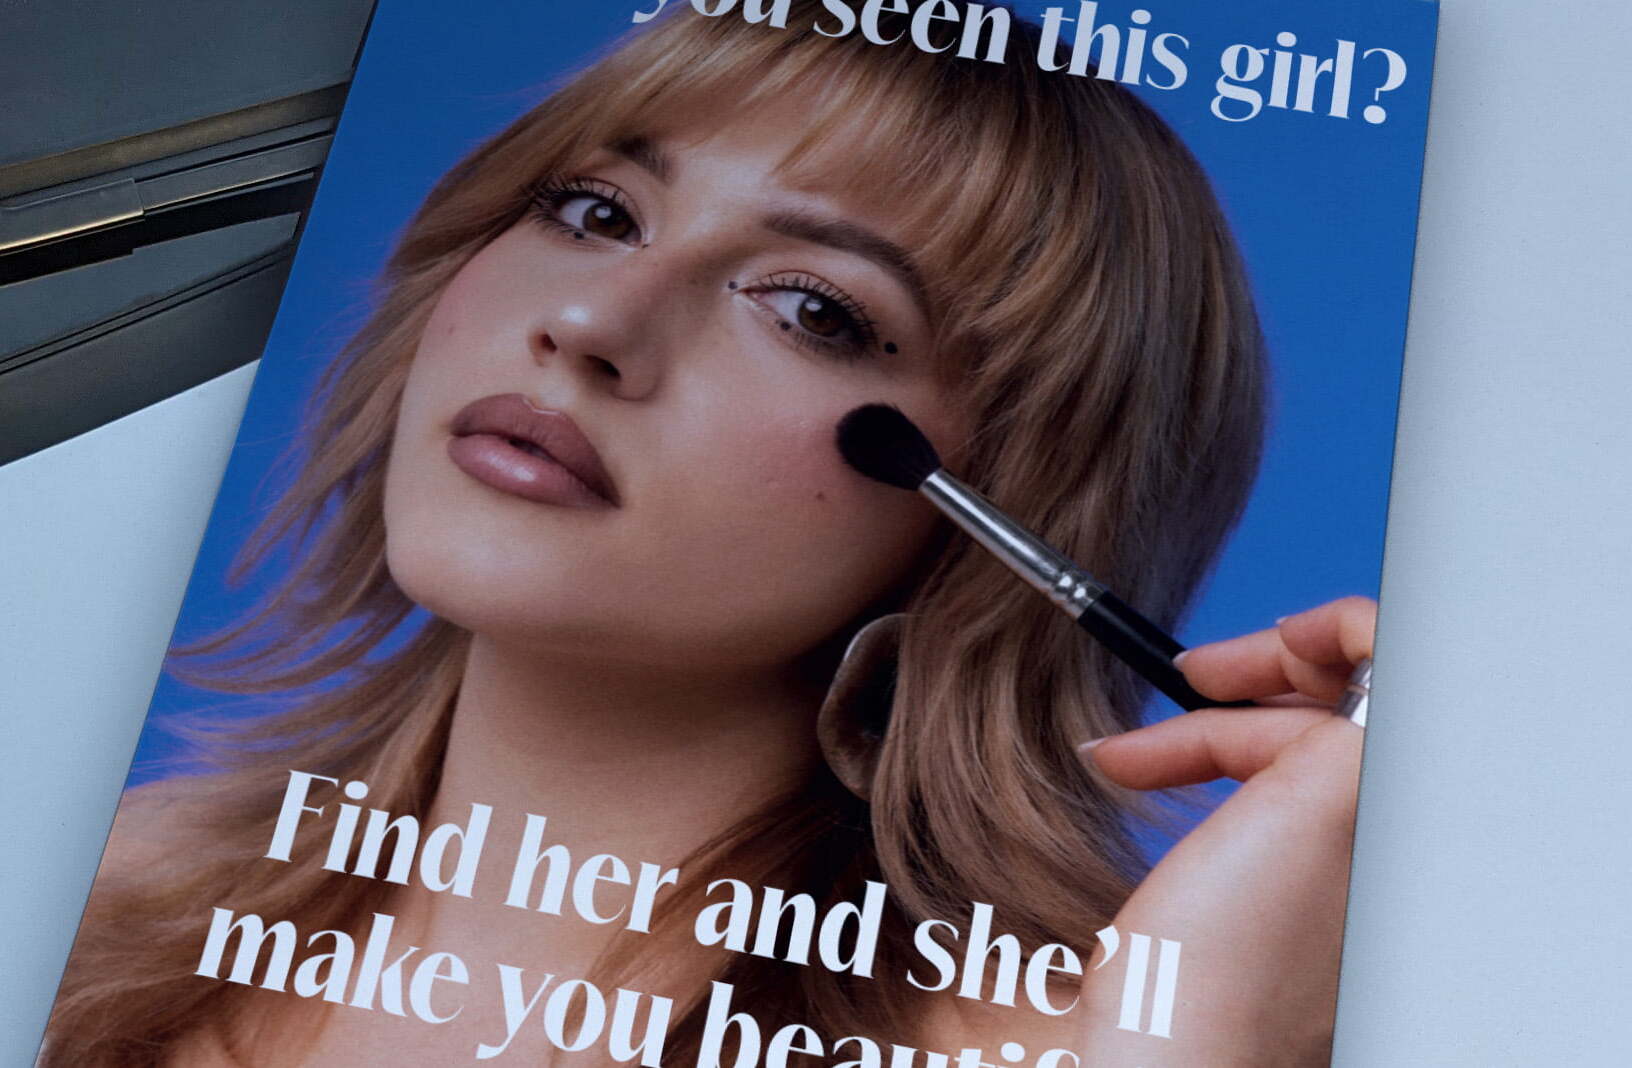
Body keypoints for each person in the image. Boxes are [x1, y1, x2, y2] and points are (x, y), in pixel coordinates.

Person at [43, 3, 1372, 1064]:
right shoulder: (107, 891)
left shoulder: (1081, 1049)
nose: (593, 324)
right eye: (594, 210)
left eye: (813, 311)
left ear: (1000, 519)